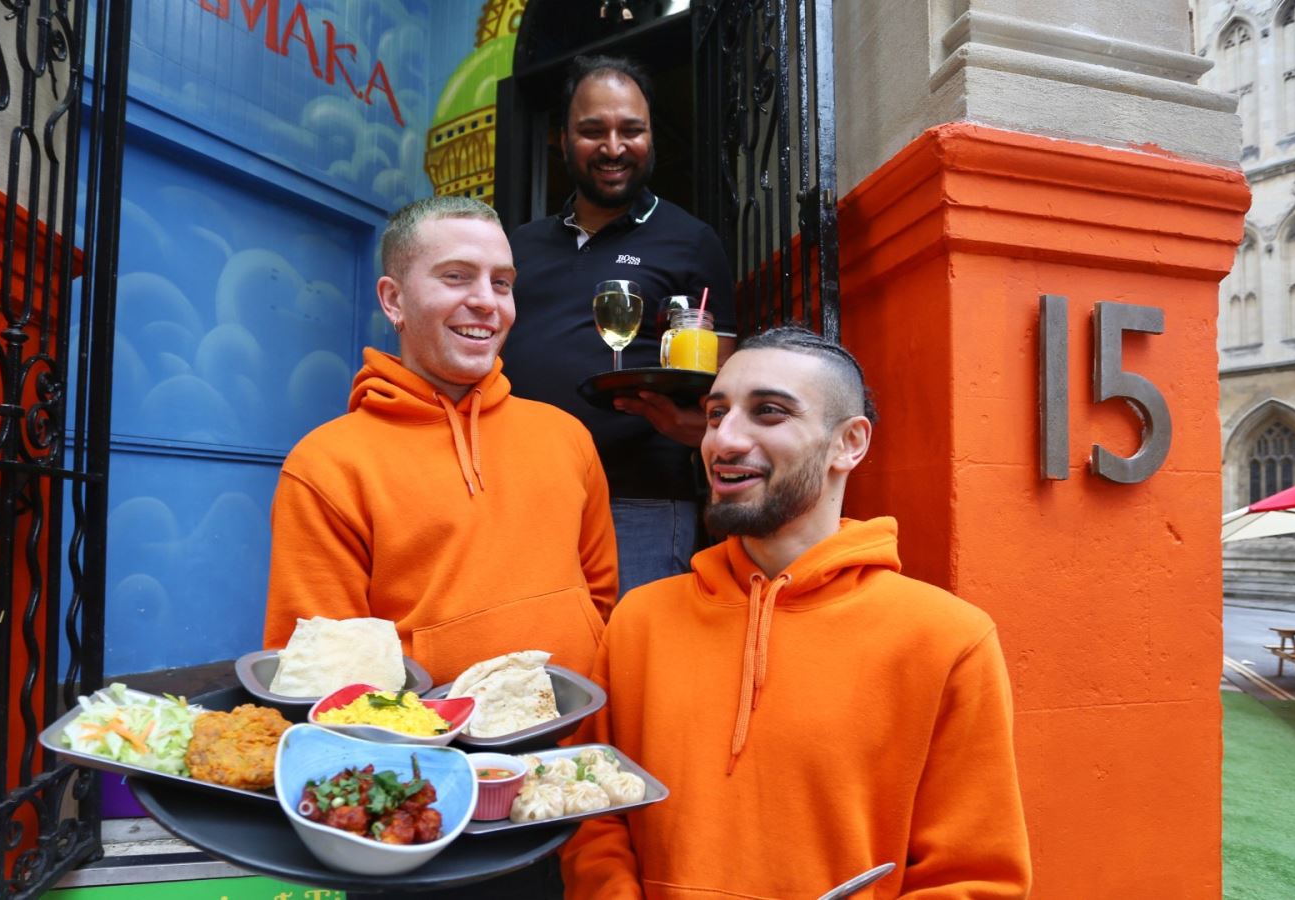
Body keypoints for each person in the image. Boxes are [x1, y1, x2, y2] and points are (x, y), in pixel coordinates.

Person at [560, 327, 1032, 899]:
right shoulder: (640, 620)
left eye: (769, 412)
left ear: (849, 444)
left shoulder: (947, 639)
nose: (724, 440)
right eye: (715, 414)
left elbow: (975, 878)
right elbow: (593, 810)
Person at [262, 196, 618, 685]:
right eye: (456, 276)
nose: (486, 302)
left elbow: (599, 599)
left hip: (577, 747)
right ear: (394, 300)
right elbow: (321, 678)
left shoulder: (567, 435)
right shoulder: (326, 465)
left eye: (501, 282)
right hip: (428, 757)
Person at [503, 54, 736, 597]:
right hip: (524, 493)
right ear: (561, 139)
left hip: (641, 501)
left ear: (651, 137)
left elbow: (723, 377)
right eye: (592, 131)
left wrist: (694, 426)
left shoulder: (690, 240)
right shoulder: (519, 246)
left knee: (632, 662)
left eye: (631, 130)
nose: (613, 147)